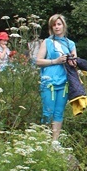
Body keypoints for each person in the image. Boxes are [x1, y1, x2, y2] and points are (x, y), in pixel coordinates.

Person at [35, 14, 77, 143]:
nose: (57, 27)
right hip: (49, 81)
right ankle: (44, 139)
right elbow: (38, 61)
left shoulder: (70, 44)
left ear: (63, 26)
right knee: (47, 112)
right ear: (51, 27)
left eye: (59, 24)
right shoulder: (47, 42)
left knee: (59, 112)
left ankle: (55, 141)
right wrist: (55, 61)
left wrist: (72, 61)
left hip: (64, 82)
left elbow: (75, 63)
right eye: (54, 25)